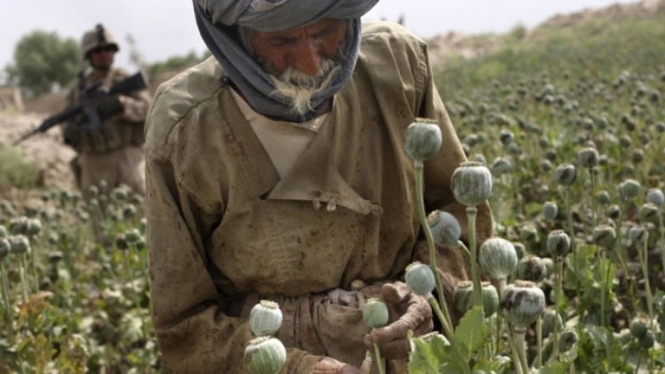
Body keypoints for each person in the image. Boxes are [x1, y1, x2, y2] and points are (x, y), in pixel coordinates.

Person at [144, 1, 493, 373]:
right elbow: (183, 325)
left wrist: (432, 294)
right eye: (282, 40)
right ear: (233, 37)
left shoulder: (399, 65)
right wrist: (295, 367)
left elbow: (460, 216)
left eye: (326, 32)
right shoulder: (185, 127)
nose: (312, 64)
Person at [62, 24, 152, 198]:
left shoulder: (125, 79)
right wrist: (69, 131)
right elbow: (65, 120)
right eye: (98, 51)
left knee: (140, 209)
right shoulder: (78, 90)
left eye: (109, 49)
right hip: (93, 161)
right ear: (88, 55)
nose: (104, 54)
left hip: (127, 156)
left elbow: (149, 109)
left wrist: (122, 104)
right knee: (99, 218)